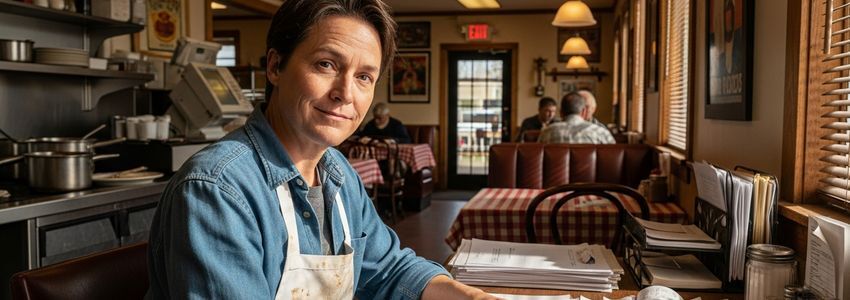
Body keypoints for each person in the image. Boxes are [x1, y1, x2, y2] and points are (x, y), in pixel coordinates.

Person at [145, 1, 498, 299]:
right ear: (274, 66)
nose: (346, 92)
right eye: (326, 64)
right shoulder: (217, 191)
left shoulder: (338, 173)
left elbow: (388, 269)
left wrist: (470, 295)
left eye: (364, 77)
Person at [539, 92, 615, 144]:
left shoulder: (546, 132)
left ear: (561, 112)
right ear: (584, 111)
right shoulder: (601, 132)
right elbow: (613, 156)